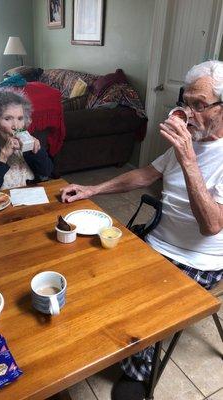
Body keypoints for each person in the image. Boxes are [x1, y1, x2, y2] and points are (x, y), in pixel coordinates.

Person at [60, 60, 223, 400]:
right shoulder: (188, 142)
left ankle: (137, 374)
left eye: (200, 105)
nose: (188, 113)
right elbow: (144, 174)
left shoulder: (203, 153)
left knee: (141, 300)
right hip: (157, 240)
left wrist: (188, 160)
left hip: (198, 259)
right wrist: (93, 190)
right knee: (88, 267)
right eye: (186, 101)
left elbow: (211, 225)